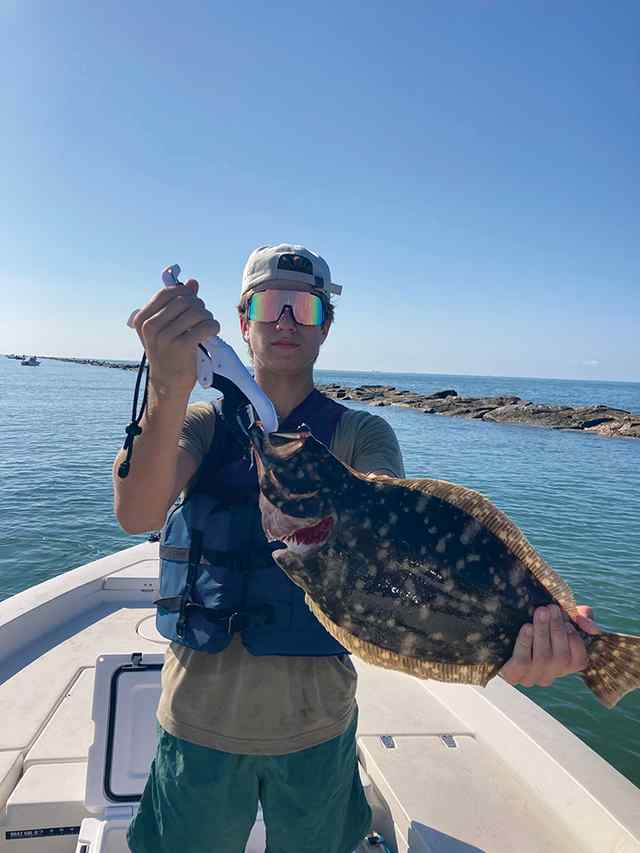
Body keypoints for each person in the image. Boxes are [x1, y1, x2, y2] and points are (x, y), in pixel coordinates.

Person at [113, 244, 600, 853]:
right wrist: (167, 386)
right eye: (270, 305)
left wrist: (514, 643)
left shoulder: (362, 434)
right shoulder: (202, 424)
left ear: (325, 327)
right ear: (243, 322)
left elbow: (404, 549)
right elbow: (137, 513)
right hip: (195, 723)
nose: (286, 320)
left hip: (317, 730)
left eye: (304, 307)